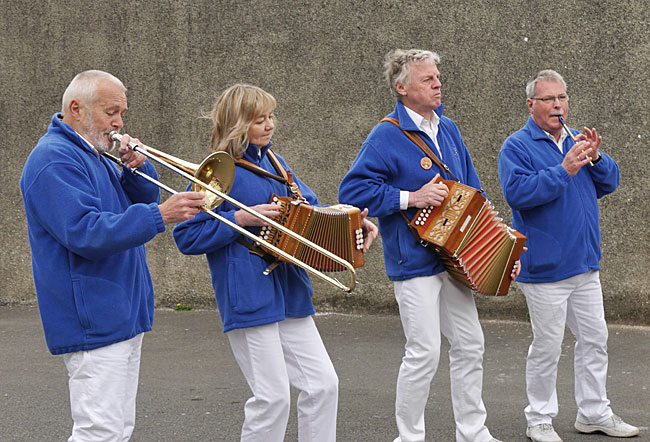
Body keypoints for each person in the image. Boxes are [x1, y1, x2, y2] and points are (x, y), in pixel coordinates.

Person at [172, 83, 377, 442]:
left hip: (291, 293)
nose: (270, 125)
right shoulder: (219, 171)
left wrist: (353, 222)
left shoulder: (277, 163)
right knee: (273, 398)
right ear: (237, 124)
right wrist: (241, 219)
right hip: (249, 295)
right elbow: (186, 237)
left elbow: (314, 212)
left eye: (271, 117)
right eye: (259, 120)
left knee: (323, 385)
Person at [20, 70, 205, 441]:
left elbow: (141, 201)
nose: (119, 122)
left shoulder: (95, 155)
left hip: (119, 311)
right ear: (76, 109)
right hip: (94, 317)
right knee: (98, 431)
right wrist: (161, 216)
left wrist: (138, 170)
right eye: (110, 112)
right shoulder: (55, 161)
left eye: (122, 112)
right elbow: (85, 232)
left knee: (118, 429)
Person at [338, 49, 507, 442]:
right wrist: (410, 198)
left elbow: (473, 190)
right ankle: (409, 437)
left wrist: (498, 248)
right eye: (428, 79)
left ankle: (472, 431)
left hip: (453, 260)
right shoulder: (385, 134)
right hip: (412, 261)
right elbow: (353, 190)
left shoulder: (448, 129)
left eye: (437, 77)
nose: (438, 84)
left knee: (470, 344)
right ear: (402, 88)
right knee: (424, 352)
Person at [498, 69, 640, 442]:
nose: (557, 105)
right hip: (545, 268)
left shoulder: (576, 139)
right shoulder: (516, 146)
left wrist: (597, 158)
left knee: (595, 339)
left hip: (584, 263)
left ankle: (593, 413)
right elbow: (518, 194)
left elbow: (609, 184)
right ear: (531, 105)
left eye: (562, 97)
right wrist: (563, 170)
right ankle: (539, 419)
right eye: (548, 99)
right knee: (547, 345)